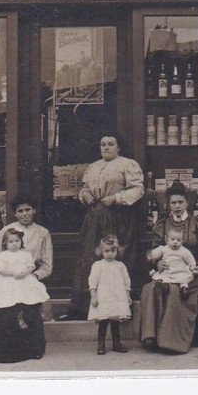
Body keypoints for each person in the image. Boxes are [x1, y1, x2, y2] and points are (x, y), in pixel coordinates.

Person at [62, 133, 144, 319]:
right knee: (89, 258)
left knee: (115, 258)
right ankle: (84, 308)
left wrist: (115, 198)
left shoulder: (127, 164)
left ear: (119, 147)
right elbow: (85, 188)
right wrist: (85, 194)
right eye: (103, 144)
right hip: (94, 217)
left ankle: (117, 309)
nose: (106, 147)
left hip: (117, 217)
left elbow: (138, 190)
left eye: (111, 144)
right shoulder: (94, 166)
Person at [139, 180, 198, 354]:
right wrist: (156, 263)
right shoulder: (163, 224)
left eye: (181, 202)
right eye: (173, 203)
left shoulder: (197, 222)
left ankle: (171, 342)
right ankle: (152, 337)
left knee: (173, 291)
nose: (177, 206)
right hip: (167, 272)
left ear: (187, 203)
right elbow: (155, 249)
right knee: (149, 289)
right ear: (168, 204)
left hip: (191, 275)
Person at [0, 195, 53, 363]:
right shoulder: (6, 231)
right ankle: (2, 349)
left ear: (34, 210)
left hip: (29, 276)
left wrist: (33, 276)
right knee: (2, 308)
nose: (24, 213)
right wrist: (4, 278)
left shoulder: (43, 233)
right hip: (7, 278)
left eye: (28, 209)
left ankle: (31, 349)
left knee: (29, 309)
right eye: (20, 211)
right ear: (15, 213)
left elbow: (47, 264)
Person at [88, 235, 132, 355]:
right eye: (106, 251)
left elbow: (126, 281)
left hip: (117, 297)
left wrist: (127, 295)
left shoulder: (120, 265)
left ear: (117, 251)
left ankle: (116, 343)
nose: (110, 254)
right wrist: (93, 296)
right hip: (104, 298)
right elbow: (92, 282)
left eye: (113, 250)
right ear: (101, 251)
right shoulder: (98, 265)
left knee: (115, 322)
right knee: (103, 322)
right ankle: (101, 344)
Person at [147, 228, 197, 297]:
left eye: (178, 240)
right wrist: (152, 254)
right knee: (164, 277)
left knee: (183, 278)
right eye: (173, 239)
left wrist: (193, 267)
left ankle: (184, 288)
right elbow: (156, 252)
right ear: (167, 240)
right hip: (168, 270)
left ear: (182, 241)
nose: (175, 242)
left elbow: (190, 259)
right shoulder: (164, 249)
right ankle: (165, 286)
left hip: (180, 270)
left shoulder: (184, 251)